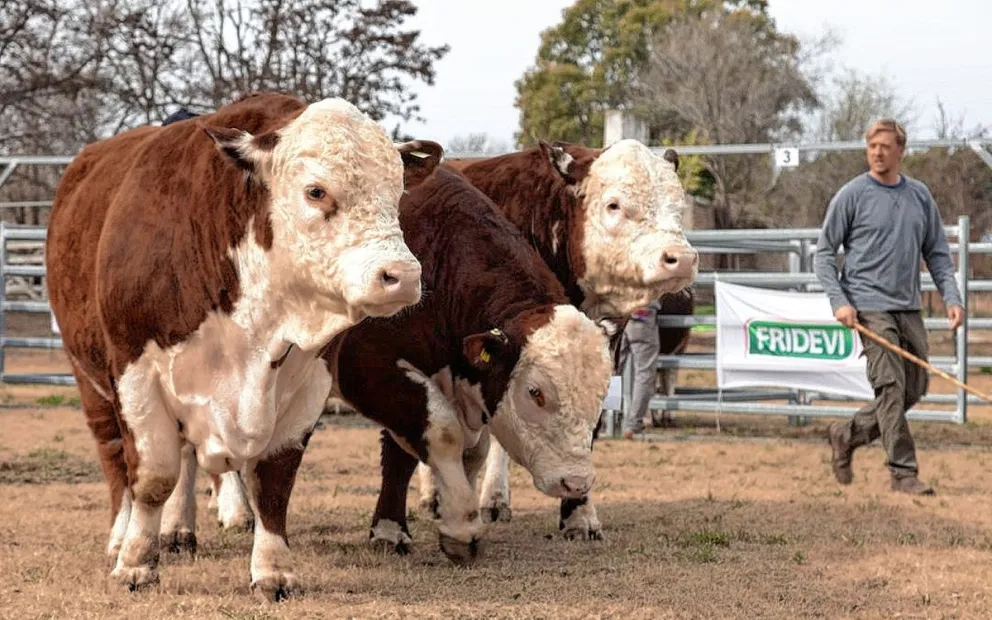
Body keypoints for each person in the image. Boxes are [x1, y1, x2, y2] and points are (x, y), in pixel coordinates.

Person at [813, 118, 964, 496]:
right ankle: (903, 472)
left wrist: (953, 297)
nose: (878, 152)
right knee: (891, 386)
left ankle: (846, 434)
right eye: (872, 146)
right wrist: (840, 301)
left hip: (907, 307)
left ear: (900, 150)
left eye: (885, 146)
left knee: (915, 387)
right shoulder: (852, 195)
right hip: (869, 306)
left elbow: (939, 255)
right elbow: (825, 254)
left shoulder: (919, 197)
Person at [621, 301, 661, 440]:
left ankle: (606, 420)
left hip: (615, 310)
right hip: (642, 312)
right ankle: (633, 425)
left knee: (611, 369)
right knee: (644, 373)